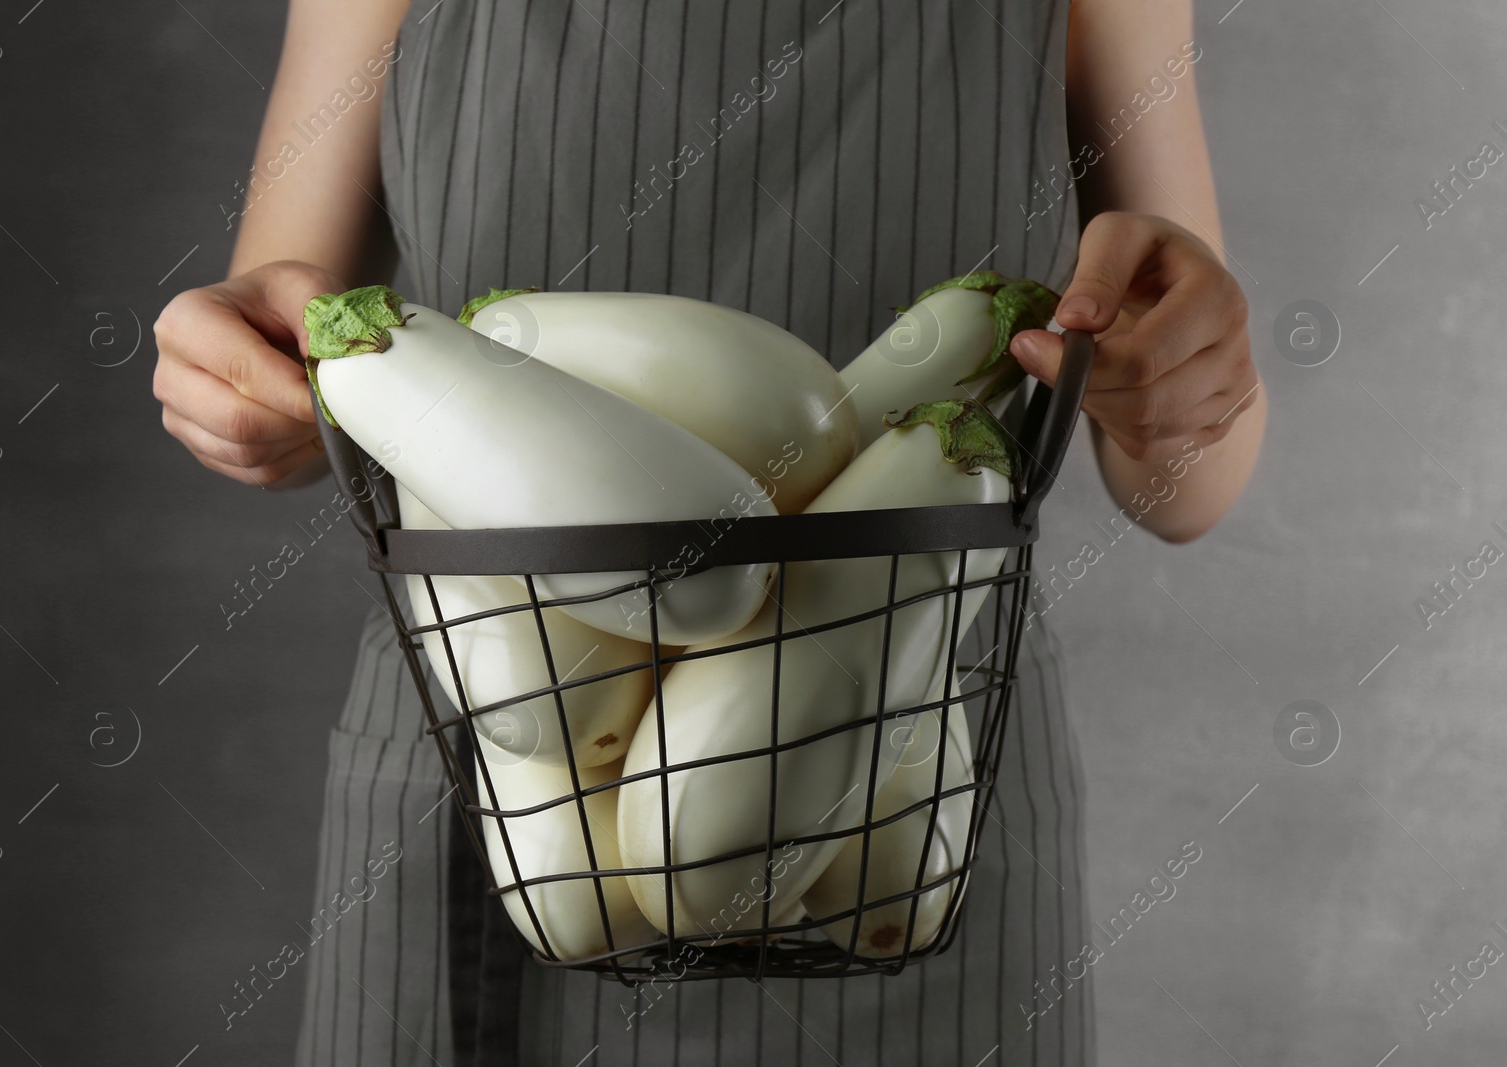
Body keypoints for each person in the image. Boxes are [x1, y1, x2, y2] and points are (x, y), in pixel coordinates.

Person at [152, 0, 1265, 1062]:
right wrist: (242, 378)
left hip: (908, 787)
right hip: (501, 767)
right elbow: (292, 344)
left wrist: (1185, 381)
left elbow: (1188, 483)